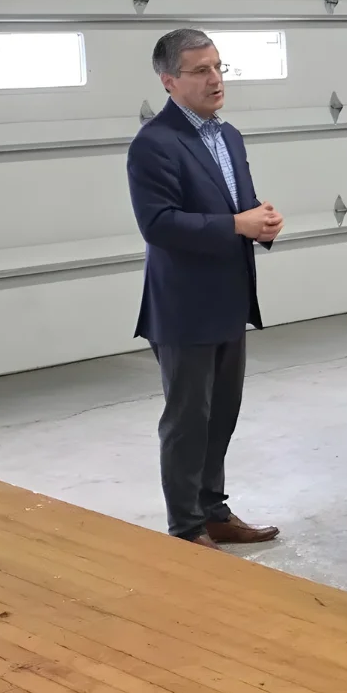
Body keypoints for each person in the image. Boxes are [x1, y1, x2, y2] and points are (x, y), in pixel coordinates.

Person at [127, 28, 284, 548]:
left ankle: (213, 510)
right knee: (187, 423)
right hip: (183, 308)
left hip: (228, 299)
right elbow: (159, 224)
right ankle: (187, 528)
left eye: (219, 67)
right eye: (200, 70)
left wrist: (260, 222)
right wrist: (235, 226)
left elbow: (238, 204)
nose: (215, 79)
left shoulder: (228, 135)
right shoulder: (154, 145)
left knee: (221, 417)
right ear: (169, 81)